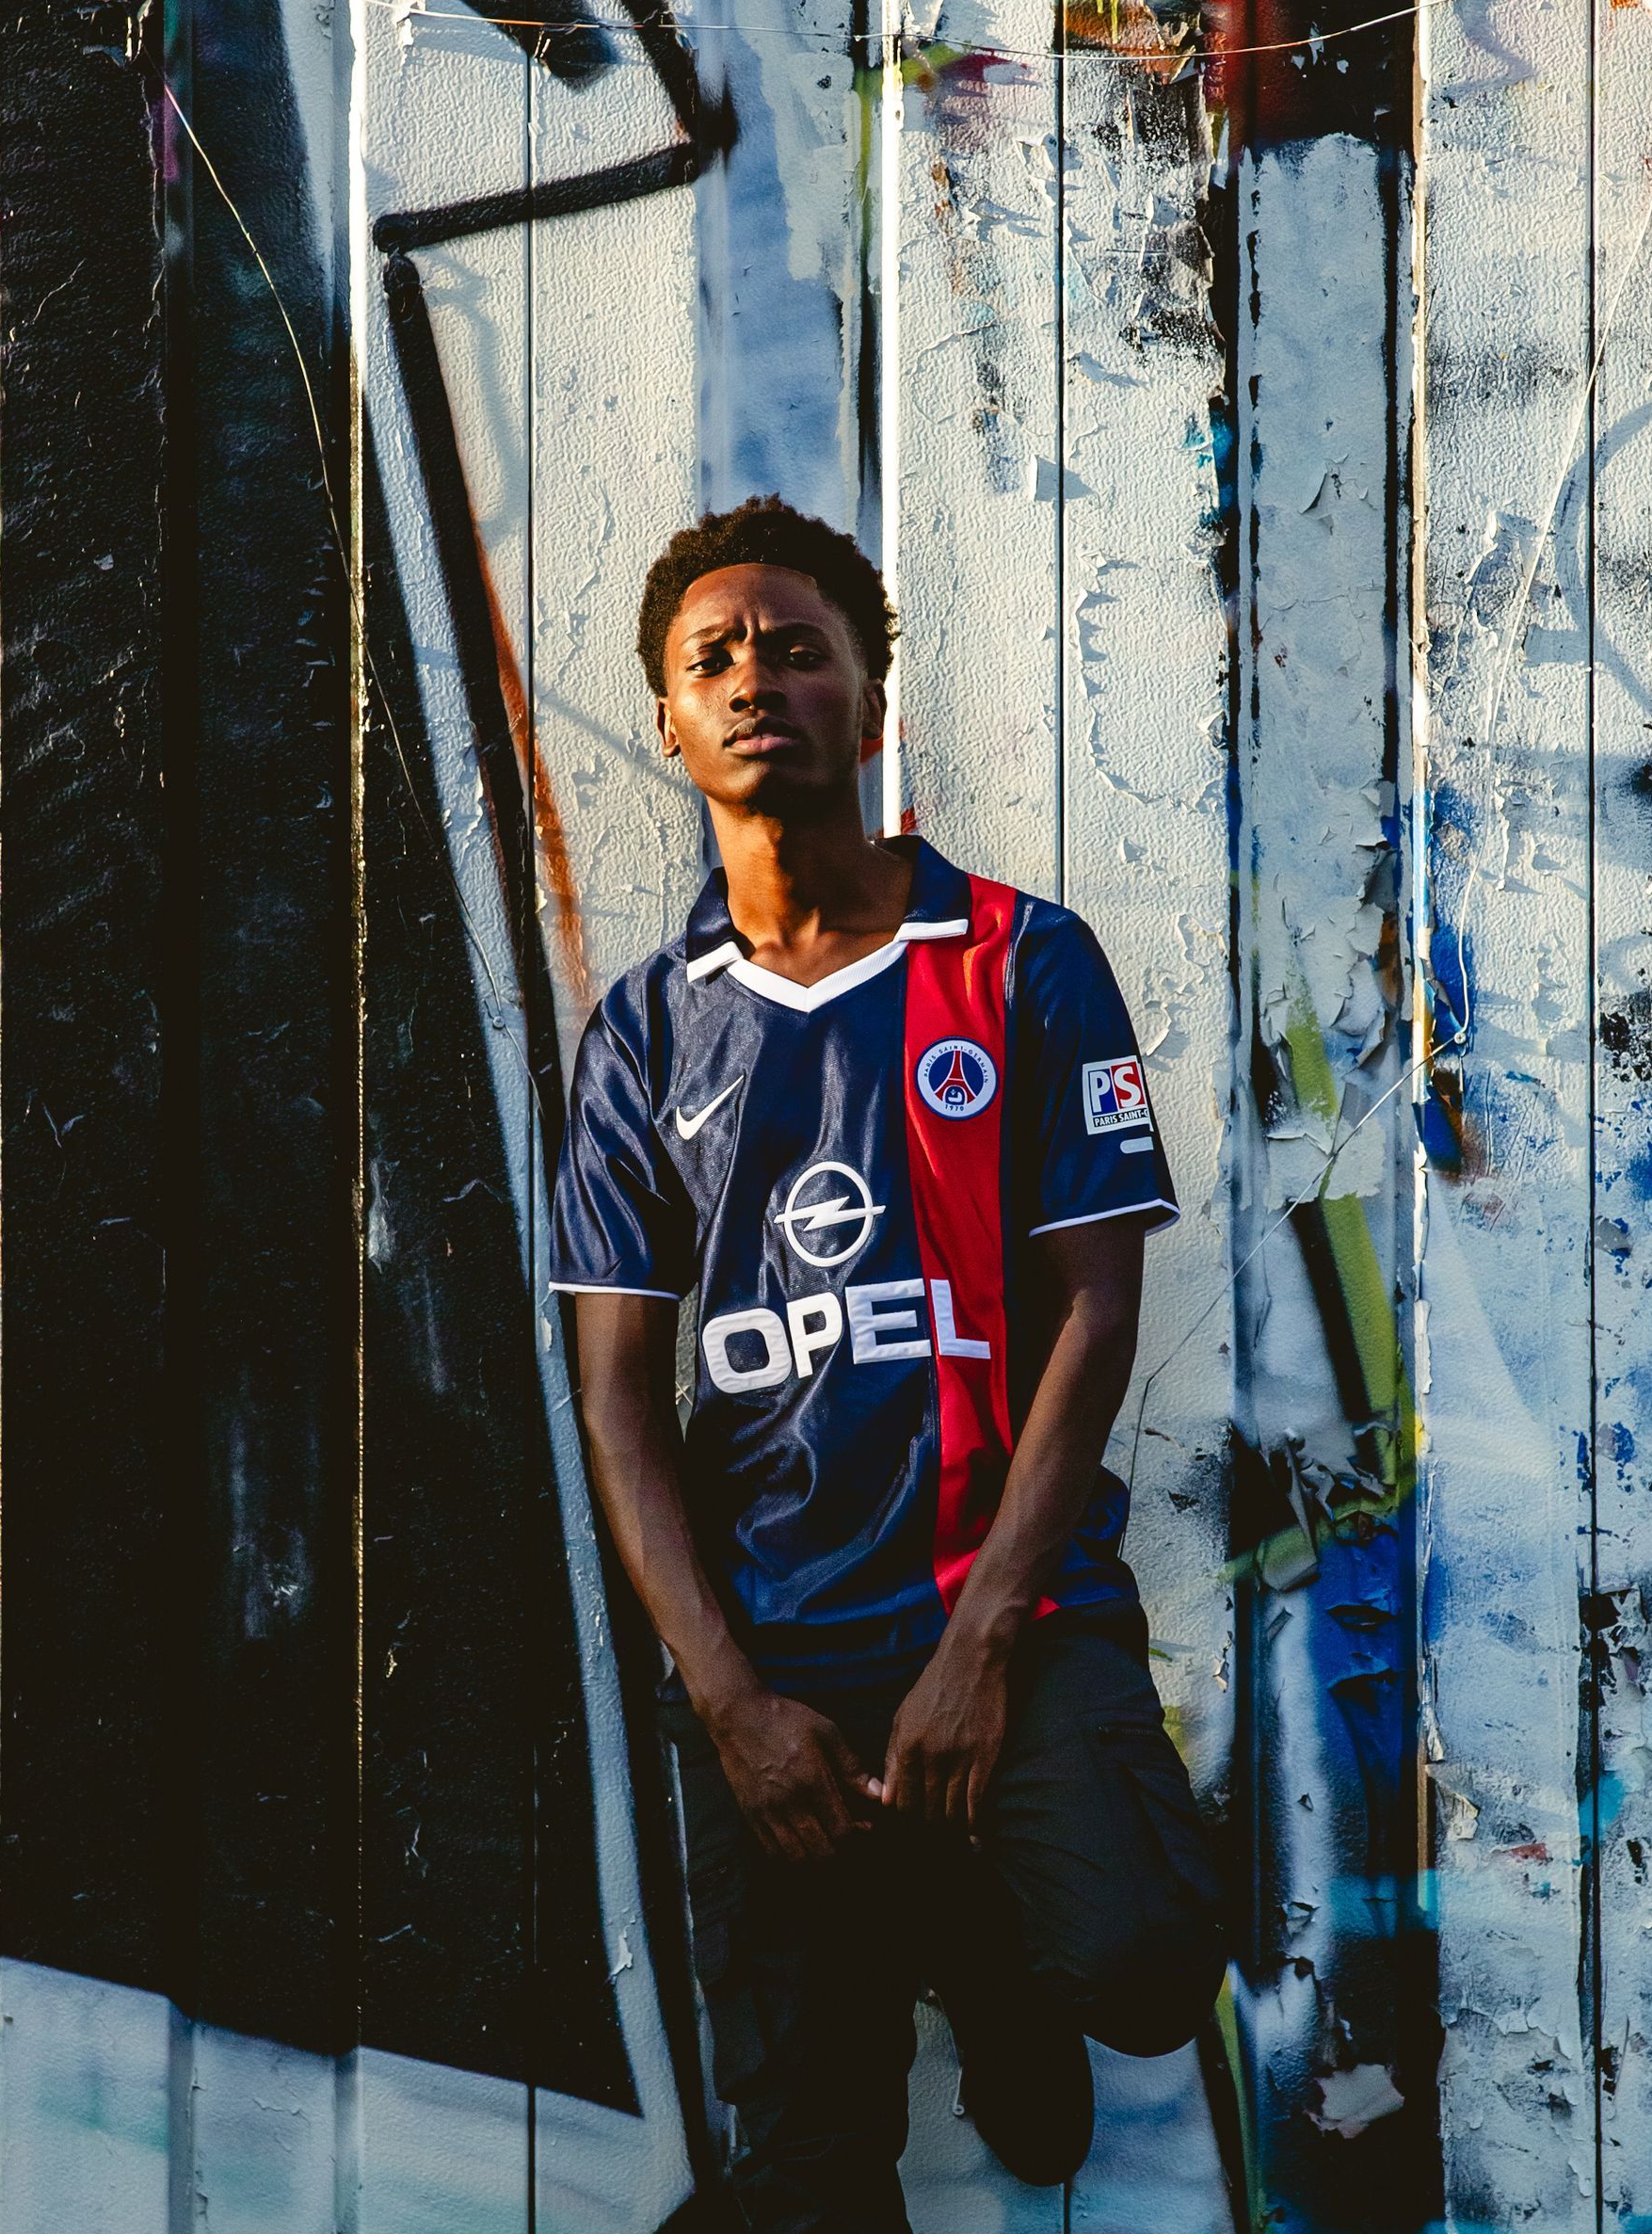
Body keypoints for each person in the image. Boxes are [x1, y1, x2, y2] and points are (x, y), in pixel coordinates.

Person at [550, 495, 1227, 2230]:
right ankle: (926, 1925)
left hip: (1010, 1607)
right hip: (777, 1654)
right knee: (812, 2172)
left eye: (798, 645)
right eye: (714, 658)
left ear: (866, 699)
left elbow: (1096, 1315)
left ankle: (991, 1948)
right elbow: (620, 1391)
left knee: (1146, 1965)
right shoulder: (645, 1029)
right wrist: (730, 1704)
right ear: (672, 722)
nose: (756, 675)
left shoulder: (1022, 962)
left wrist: (983, 1647)